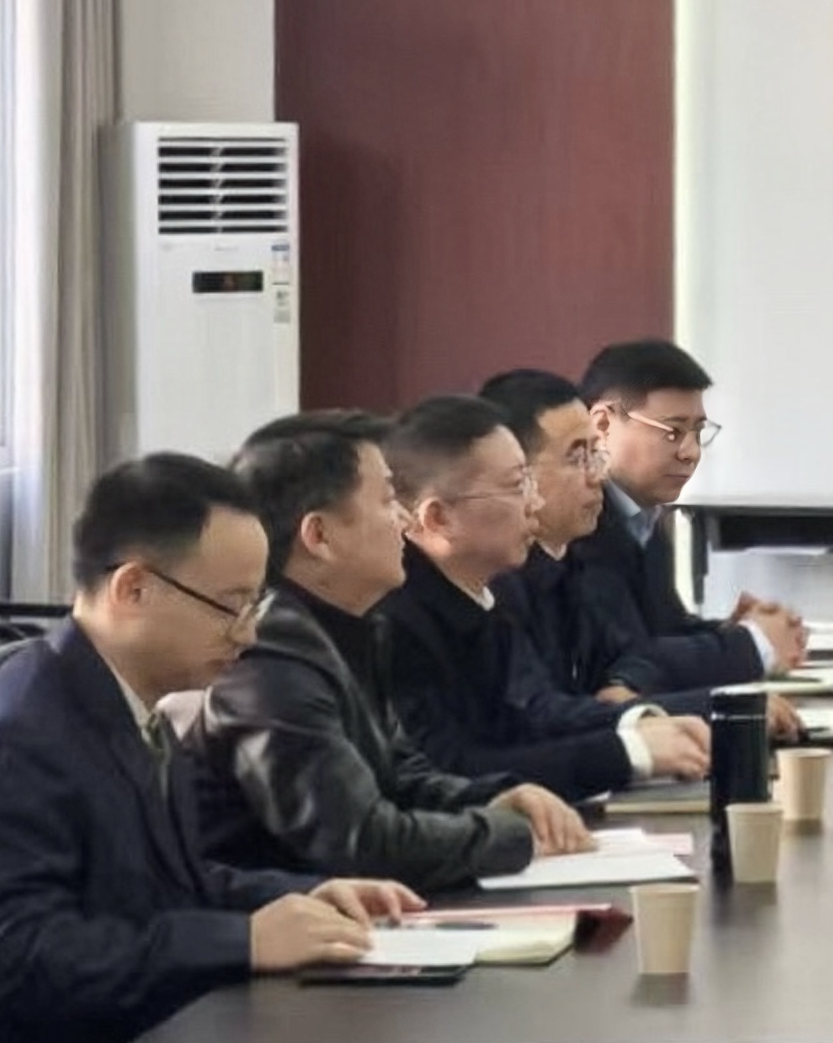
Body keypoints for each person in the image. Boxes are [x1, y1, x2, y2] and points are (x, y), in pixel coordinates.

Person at [0, 456, 412, 1043]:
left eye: (255, 605)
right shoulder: (12, 741)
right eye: (231, 607)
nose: (248, 634)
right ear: (133, 588)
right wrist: (244, 941)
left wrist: (298, 898)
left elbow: (164, 881)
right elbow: (22, 958)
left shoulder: (123, 700)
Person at [189, 411, 591, 893]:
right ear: (319, 536)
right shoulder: (269, 653)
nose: (403, 519)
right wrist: (507, 835)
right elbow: (360, 842)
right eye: (385, 501)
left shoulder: (352, 628)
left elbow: (401, 776)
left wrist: (496, 797)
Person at [374, 395, 711, 804]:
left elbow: (530, 719)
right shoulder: (394, 622)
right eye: (517, 486)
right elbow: (447, 770)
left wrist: (639, 724)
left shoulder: (482, 597)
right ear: (438, 518)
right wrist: (628, 753)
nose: (534, 504)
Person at [481, 369, 795, 736]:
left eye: (596, 453)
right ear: (516, 475)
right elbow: (540, 716)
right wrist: (726, 703)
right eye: (576, 457)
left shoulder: (567, 562)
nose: (598, 476)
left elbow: (632, 658)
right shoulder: (497, 580)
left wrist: (627, 687)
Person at [572, 339, 806, 685]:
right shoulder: (578, 526)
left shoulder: (644, 520)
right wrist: (749, 645)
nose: (691, 452)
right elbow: (621, 663)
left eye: (697, 432)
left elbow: (663, 633)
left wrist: (731, 630)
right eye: (673, 432)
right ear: (603, 424)